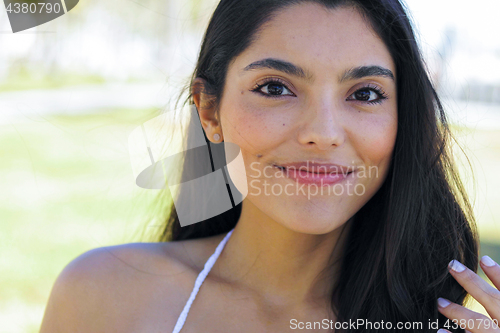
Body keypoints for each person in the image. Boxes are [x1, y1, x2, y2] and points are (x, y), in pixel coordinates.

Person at [40, 0, 500, 332]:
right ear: (209, 111)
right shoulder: (102, 295)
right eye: (275, 88)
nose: (323, 131)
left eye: (364, 94)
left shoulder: (438, 326)